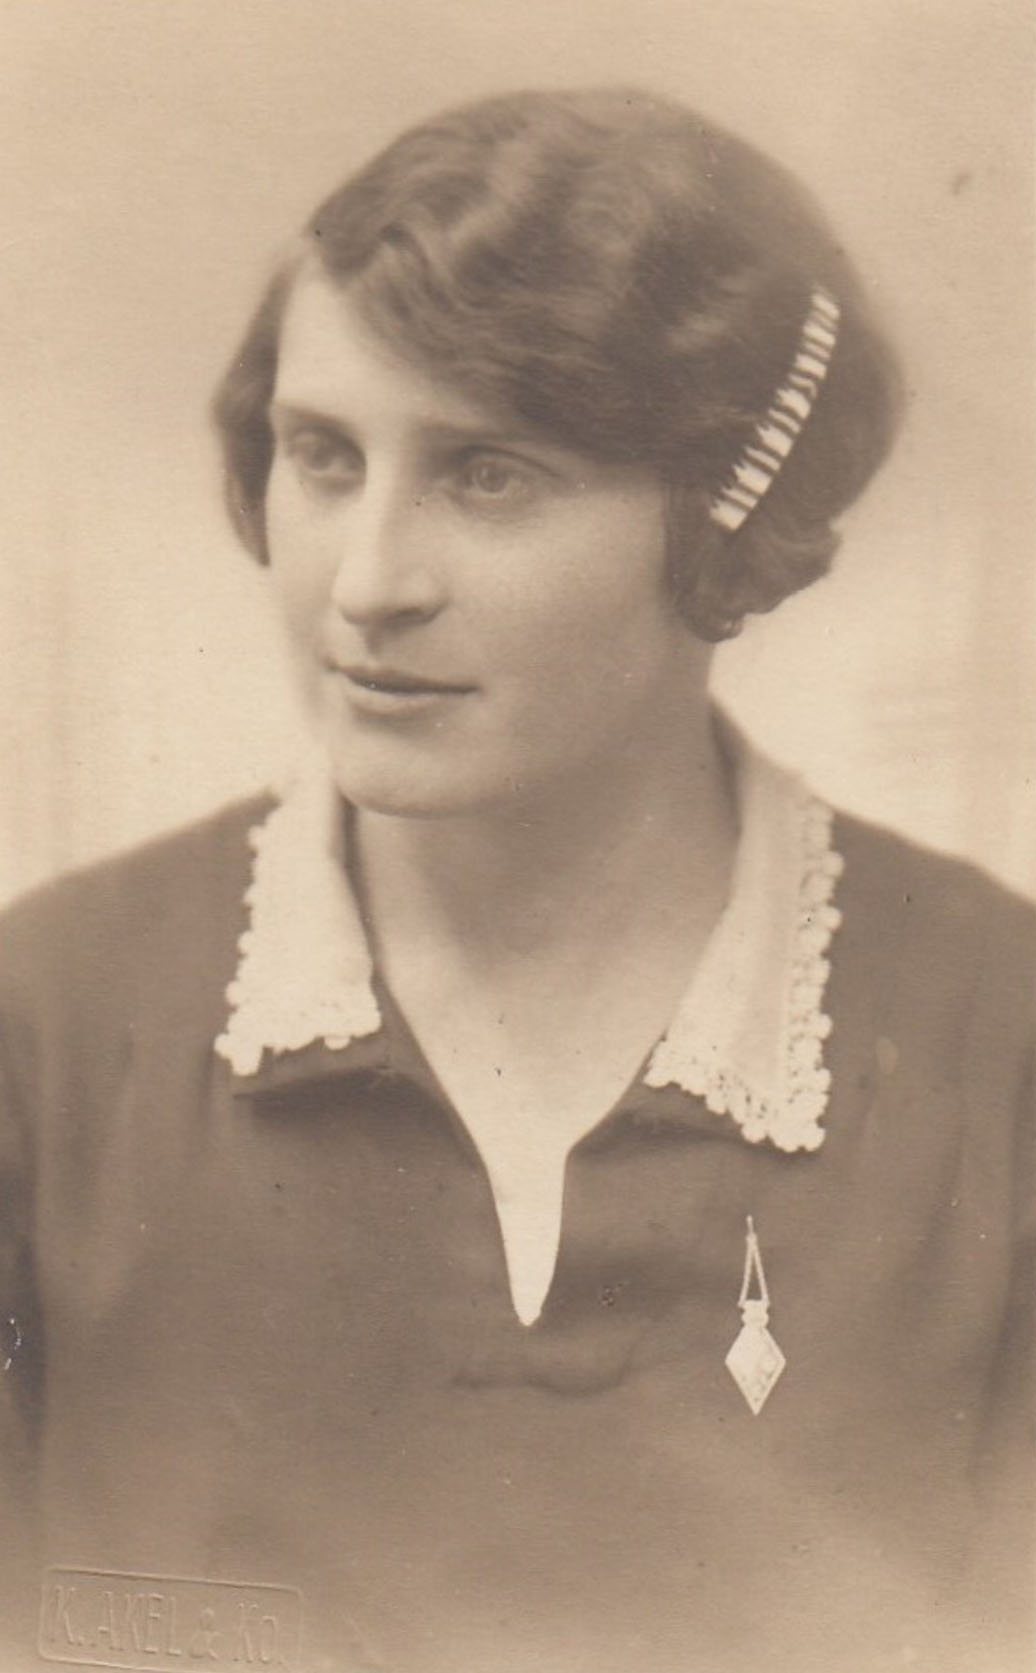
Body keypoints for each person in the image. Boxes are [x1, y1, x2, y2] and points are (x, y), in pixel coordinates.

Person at [1, 87, 1032, 1673]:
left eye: (490, 474)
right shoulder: (48, 1024)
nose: (366, 583)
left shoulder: (998, 1036)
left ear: (725, 519)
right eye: (321, 456)